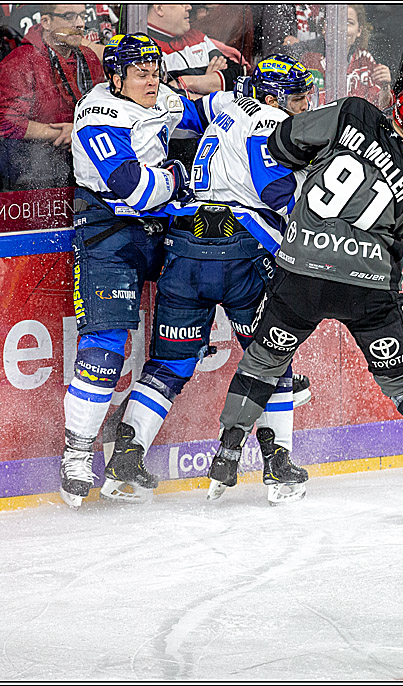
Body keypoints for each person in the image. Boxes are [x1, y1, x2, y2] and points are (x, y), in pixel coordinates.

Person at [207, 46, 403, 520]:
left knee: (265, 361)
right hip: (367, 288)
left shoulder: (353, 111)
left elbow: (282, 144)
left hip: (302, 273)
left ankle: (227, 454)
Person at [112, 55, 315, 505]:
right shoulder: (269, 119)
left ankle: (126, 456)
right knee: (269, 356)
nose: (305, 104)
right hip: (239, 252)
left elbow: (184, 110)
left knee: (168, 362)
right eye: (298, 95)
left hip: (184, 249)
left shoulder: (229, 109)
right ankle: (278, 466)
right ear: (272, 96)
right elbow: (273, 189)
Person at [61, 33, 220, 508]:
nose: (152, 81)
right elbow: (133, 188)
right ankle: (75, 455)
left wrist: (235, 92)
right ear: (116, 77)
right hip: (109, 233)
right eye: (141, 73)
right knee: (106, 347)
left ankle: (128, 454)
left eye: (155, 71)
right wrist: (178, 176)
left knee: (182, 345)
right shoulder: (97, 116)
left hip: (164, 235)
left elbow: (213, 114)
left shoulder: (163, 93)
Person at [0, 4, 104, 190]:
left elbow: (104, 111)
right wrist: (65, 133)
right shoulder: (21, 61)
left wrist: (75, 132)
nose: (80, 24)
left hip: (87, 168)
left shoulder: (89, 57)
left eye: (82, 16)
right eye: (69, 16)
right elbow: (5, 124)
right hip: (34, 174)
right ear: (46, 22)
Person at [298, 4, 393, 108]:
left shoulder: (365, 60)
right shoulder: (309, 61)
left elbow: (380, 107)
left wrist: (385, 86)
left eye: (349, 23)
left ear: (359, 31)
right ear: (324, 28)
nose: (341, 28)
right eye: (335, 22)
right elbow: (300, 105)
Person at [145, 3, 243, 96]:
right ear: (159, 8)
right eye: (182, 3)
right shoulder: (144, 50)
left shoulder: (197, 37)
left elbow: (239, 73)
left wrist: (187, 82)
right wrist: (210, 82)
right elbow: (162, 96)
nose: (189, 7)